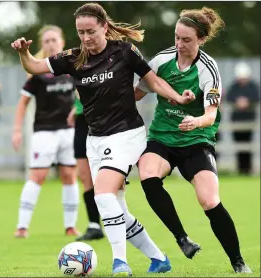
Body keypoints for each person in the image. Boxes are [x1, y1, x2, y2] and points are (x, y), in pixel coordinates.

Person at [11, 2, 196, 275]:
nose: (85, 38)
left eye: (91, 31)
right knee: (116, 207)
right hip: (94, 140)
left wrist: (178, 97)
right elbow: (35, 66)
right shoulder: (74, 58)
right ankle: (159, 259)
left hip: (126, 135)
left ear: (104, 27)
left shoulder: (123, 51)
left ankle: (120, 263)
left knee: (102, 195)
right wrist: (23, 52)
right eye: (80, 32)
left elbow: (153, 81)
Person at [134, 7, 252, 273]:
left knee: (209, 201)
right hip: (162, 138)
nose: (179, 44)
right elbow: (138, 94)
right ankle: (182, 238)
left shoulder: (208, 69)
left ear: (200, 39)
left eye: (186, 39)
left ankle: (238, 261)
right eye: (176, 37)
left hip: (196, 139)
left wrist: (195, 121)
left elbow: (210, 116)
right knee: (148, 175)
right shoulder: (161, 60)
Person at [11, 25, 80, 238]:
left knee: (69, 175)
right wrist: (16, 130)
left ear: (62, 42)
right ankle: (22, 227)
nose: (51, 44)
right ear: (43, 44)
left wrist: (77, 110)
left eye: (54, 40)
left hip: (69, 132)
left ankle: (70, 226)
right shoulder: (37, 74)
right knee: (37, 176)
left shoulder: (72, 69)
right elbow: (22, 103)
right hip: (44, 132)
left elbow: (82, 97)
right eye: (47, 40)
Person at [67, 94, 104, 241]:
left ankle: (118, 222)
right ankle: (94, 225)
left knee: (106, 175)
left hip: (102, 117)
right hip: (82, 119)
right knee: (84, 175)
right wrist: (74, 110)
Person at [226, 62, 260, 175]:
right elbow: (229, 97)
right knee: (238, 145)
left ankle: (248, 169)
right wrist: (238, 102)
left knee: (248, 144)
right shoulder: (234, 87)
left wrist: (247, 102)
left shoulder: (253, 86)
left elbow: (256, 97)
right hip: (236, 121)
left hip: (249, 120)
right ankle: (240, 169)